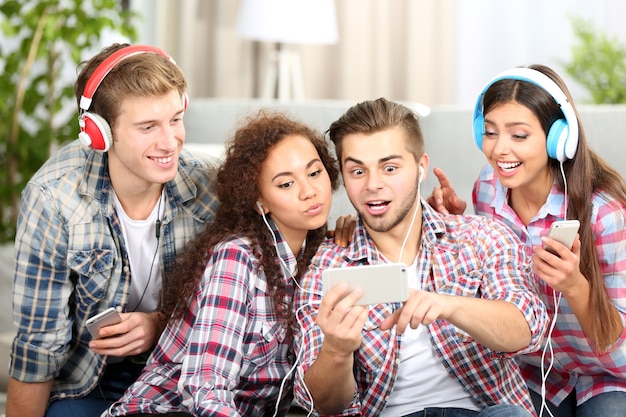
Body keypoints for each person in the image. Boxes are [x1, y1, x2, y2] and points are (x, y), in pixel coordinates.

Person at [293, 97, 549, 417]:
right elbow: (321, 405)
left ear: (421, 167)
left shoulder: (482, 237)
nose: (373, 185)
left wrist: (448, 305)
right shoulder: (327, 268)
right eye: (358, 170)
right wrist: (336, 349)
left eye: (390, 168)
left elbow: (528, 329)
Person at [7, 43, 220, 417]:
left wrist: (160, 323)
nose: (170, 142)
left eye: (174, 119)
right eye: (147, 127)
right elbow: (38, 345)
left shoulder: (209, 188)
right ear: (99, 133)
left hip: (183, 371)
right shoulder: (54, 198)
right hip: (90, 378)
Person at [104, 110, 340, 417]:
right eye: (285, 184)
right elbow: (205, 389)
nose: (309, 191)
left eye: (314, 172)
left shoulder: (321, 260)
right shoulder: (237, 258)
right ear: (260, 201)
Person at [427, 64, 626, 416]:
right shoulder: (488, 189)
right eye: (489, 132)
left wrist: (575, 285)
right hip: (532, 373)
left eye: (519, 136)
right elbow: (490, 281)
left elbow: (619, 348)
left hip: (606, 373)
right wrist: (459, 227)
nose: (500, 149)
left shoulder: (604, 214)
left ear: (558, 138)